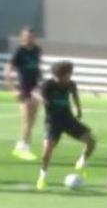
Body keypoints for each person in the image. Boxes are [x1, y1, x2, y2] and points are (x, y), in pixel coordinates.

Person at [36, 61, 96, 191]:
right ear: (61, 74)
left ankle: (82, 161)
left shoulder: (71, 84)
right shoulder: (48, 85)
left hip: (68, 119)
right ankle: (42, 176)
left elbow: (75, 95)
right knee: (47, 150)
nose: (70, 76)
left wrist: (78, 109)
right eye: (69, 73)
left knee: (91, 141)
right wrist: (42, 99)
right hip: (52, 122)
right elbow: (36, 93)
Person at [5, 26, 43, 161]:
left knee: (32, 120)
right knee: (26, 120)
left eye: (31, 36)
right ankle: (22, 148)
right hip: (24, 89)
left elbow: (38, 68)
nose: (29, 39)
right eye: (26, 37)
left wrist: (40, 83)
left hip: (35, 89)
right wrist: (13, 89)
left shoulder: (37, 50)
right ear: (22, 37)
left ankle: (23, 144)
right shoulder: (19, 51)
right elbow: (7, 72)